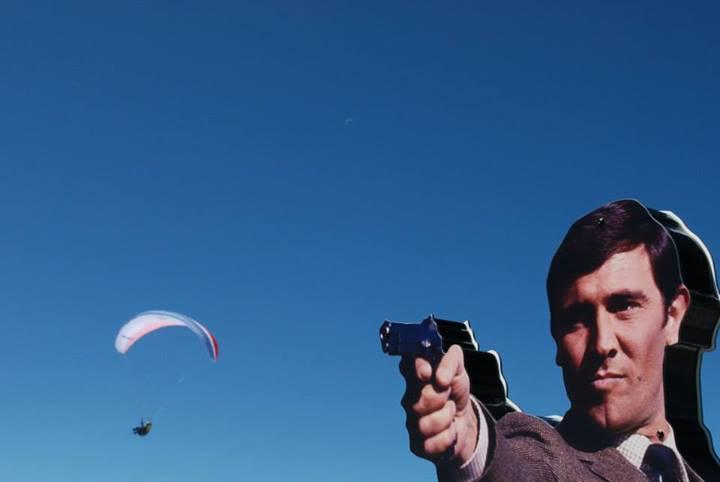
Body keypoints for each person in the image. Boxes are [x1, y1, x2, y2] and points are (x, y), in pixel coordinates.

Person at [399, 199, 704, 481]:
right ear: (556, 338)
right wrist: (470, 444)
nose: (601, 343)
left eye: (623, 306)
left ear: (673, 316)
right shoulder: (542, 453)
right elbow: (514, 467)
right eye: (576, 319)